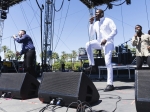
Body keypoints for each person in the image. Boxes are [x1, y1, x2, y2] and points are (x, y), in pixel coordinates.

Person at [84, 9, 117, 92]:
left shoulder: (108, 20)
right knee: (88, 44)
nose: (96, 14)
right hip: (99, 42)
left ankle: (110, 84)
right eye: (95, 13)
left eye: (97, 13)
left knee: (107, 63)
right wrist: (91, 24)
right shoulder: (95, 23)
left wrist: (106, 38)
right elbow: (91, 34)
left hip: (108, 43)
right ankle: (92, 65)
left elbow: (115, 31)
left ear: (102, 13)